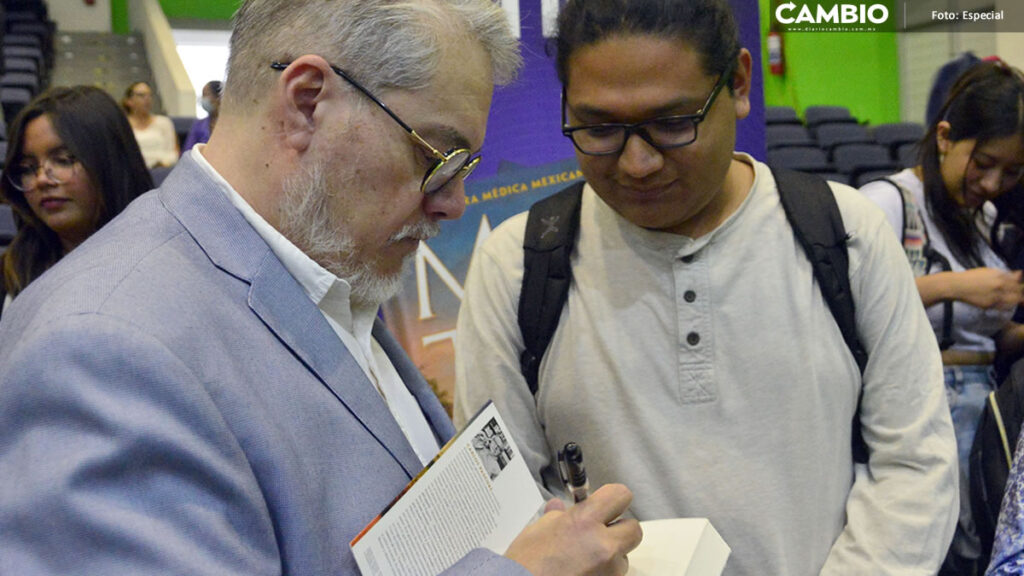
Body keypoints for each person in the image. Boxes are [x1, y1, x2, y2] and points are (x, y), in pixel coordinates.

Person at [0, 1, 641, 574]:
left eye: (464, 166)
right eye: (436, 158)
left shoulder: (325, 262)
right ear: (307, 100)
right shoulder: (101, 351)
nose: (455, 203)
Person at [453, 0, 958, 574]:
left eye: (672, 123)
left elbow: (915, 462)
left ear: (739, 83)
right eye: (599, 128)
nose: (637, 163)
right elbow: (499, 500)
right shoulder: (516, 267)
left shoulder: (845, 234)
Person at [860, 60, 1024, 574]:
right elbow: (853, 310)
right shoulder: (885, 204)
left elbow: (989, 343)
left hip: (984, 405)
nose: (993, 183)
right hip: (922, 405)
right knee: (934, 551)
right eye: (985, 162)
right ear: (947, 137)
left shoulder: (985, 217)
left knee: (980, 548)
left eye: (1013, 171)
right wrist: (955, 286)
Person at [0, 85, 153, 314]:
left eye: (63, 160)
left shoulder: (162, 268)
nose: (42, 179)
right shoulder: (12, 271)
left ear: (111, 163)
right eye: (28, 168)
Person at [122, 80, 179, 168]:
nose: (147, 99)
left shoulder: (164, 122)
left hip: (162, 171)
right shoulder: (122, 125)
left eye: (149, 95)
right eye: (141, 95)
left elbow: (174, 153)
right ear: (129, 101)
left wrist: (163, 164)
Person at [182, 80, 222, 153]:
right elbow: (188, 151)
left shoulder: (231, 124)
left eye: (205, 95)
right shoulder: (198, 125)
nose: (202, 99)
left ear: (218, 97)